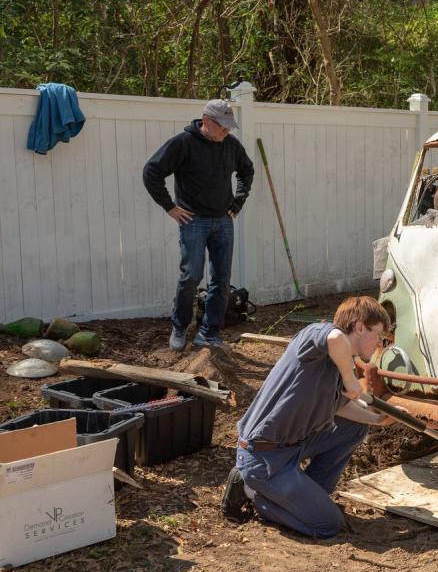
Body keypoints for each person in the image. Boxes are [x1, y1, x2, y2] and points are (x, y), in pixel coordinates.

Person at [220, 296, 395, 538]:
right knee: (328, 525)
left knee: (355, 427)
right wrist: (349, 376)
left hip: (292, 446)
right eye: (378, 335)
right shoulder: (317, 336)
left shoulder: (337, 365)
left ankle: (309, 494)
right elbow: (335, 338)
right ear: (359, 327)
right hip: (264, 455)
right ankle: (255, 495)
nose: (379, 343)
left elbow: (341, 407)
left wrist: (378, 420)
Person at [143, 99, 254, 350]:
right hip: (193, 221)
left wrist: (238, 202)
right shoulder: (183, 143)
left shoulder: (231, 145)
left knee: (221, 279)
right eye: (222, 126)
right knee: (191, 275)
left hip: (223, 221)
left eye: (229, 126)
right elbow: (151, 171)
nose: (227, 131)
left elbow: (247, 170)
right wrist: (170, 207)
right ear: (206, 121)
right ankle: (180, 327)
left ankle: (209, 332)